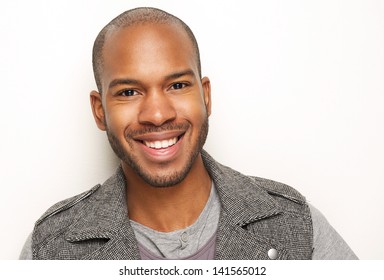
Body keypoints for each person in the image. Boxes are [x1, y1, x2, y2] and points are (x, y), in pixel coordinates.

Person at [20, 7, 357, 260]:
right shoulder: (51, 247)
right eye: (128, 92)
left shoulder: (296, 226)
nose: (157, 114)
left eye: (178, 85)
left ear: (205, 96)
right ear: (99, 111)